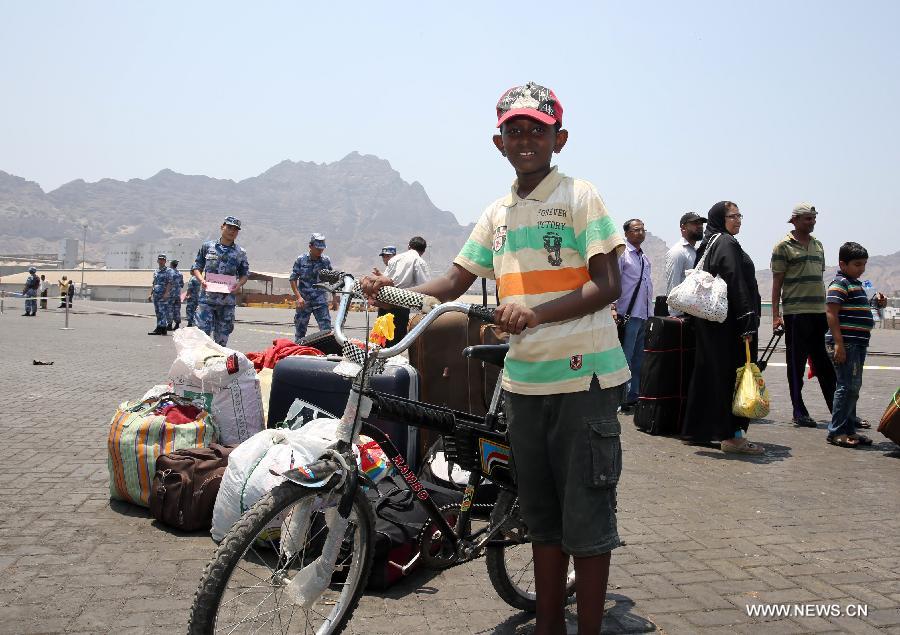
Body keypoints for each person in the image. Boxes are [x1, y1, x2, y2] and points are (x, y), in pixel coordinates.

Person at [362, 81, 628, 635]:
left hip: (586, 381)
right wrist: (391, 292)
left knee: (587, 520)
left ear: (560, 138)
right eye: (515, 130)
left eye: (537, 129)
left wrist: (533, 313)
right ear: (497, 142)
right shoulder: (497, 214)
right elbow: (454, 282)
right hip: (526, 384)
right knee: (543, 522)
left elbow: (606, 285)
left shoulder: (581, 197)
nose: (526, 138)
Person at [682, 201, 764, 454]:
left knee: (712, 376)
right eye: (733, 216)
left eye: (740, 215)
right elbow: (736, 281)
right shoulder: (726, 243)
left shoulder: (710, 242)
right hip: (729, 326)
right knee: (732, 377)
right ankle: (732, 436)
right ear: (721, 218)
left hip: (712, 325)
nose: (738, 220)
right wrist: (747, 319)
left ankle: (703, 431)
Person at [771, 203, 836, 427]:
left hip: (818, 313)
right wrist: (775, 316)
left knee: (824, 364)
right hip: (796, 314)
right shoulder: (783, 246)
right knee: (796, 364)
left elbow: (818, 278)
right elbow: (777, 283)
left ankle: (838, 411)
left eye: (814, 218)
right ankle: (798, 410)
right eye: (808, 219)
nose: (812, 222)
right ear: (795, 221)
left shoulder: (818, 245)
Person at [823, 242, 887, 448]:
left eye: (864, 264)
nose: (862, 269)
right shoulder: (839, 284)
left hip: (858, 343)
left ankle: (850, 429)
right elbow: (831, 314)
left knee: (853, 387)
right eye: (857, 264)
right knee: (845, 386)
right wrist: (839, 344)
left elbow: (862, 308)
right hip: (846, 343)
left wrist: (878, 304)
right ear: (843, 264)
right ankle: (837, 431)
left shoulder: (857, 284)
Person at [611, 218, 652, 412]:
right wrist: (612, 307)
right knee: (625, 357)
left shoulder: (643, 258)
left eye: (643, 230)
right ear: (626, 233)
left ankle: (634, 395)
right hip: (627, 314)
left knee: (639, 359)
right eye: (636, 230)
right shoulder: (623, 255)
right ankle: (621, 397)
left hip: (643, 315)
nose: (640, 233)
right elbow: (614, 281)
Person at [191, 216, 249, 346]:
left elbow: (245, 274)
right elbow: (196, 267)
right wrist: (202, 280)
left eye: (235, 229)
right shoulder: (208, 246)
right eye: (229, 227)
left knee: (222, 340)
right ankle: (201, 363)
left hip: (227, 302)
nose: (232, 231)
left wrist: (239, 284)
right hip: (207, 300)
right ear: (222, 227)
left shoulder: (240, 252)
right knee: (201, 336)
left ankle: (218, 363)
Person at [377, 237, 430, 345]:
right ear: (423, 251)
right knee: (396, 341)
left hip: (384, 303)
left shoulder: (395, 259)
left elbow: (385, 279)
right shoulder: (418, 261)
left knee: (381, 338)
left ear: (409, 246)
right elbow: (425, 286)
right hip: (400, 305)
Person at [289, 233, 333, 343]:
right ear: (310, 246)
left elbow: (332, 279)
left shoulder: (325, 261)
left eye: (322, 249)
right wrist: (298, 297)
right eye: (317, 248)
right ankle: (298, 352)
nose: (320, 251)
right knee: (300, 330)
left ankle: (326, 352)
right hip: (304, 301)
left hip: (320, 300)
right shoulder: (301, 260)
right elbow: (293, 279)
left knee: (326, 330)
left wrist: (335, 298)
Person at [664, 212, 707, 308]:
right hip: (682, 314)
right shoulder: (677, 252)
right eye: (695, 223)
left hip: (696, 311)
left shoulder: (696, 252)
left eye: (701, 223)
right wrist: (676, 316)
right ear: (683, 228)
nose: (700, 226)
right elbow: (672, 286)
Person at [148, 254, 172, 335]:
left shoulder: (168, 271)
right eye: (160, 259)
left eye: (163, 259)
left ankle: (163, 328)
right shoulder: (156, 271)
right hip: (156, 294)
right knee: (158, 312)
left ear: (165, 261)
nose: (161, 261)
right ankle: (159, 328)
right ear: (157, 261)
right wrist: (150, 294)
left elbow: (169, 283)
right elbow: (154, 283)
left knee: (162, 312)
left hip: (163, 295)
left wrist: (166, 293)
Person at [167, 259, 184, 330]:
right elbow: (182, 284)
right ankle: (177, 324)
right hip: (177, 294)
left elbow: (168, 283)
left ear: (171, 265)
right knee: (177, 309)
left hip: (170, 294)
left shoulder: (169, 272)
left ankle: (169, 324)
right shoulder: (180, 273)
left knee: (169, 309)